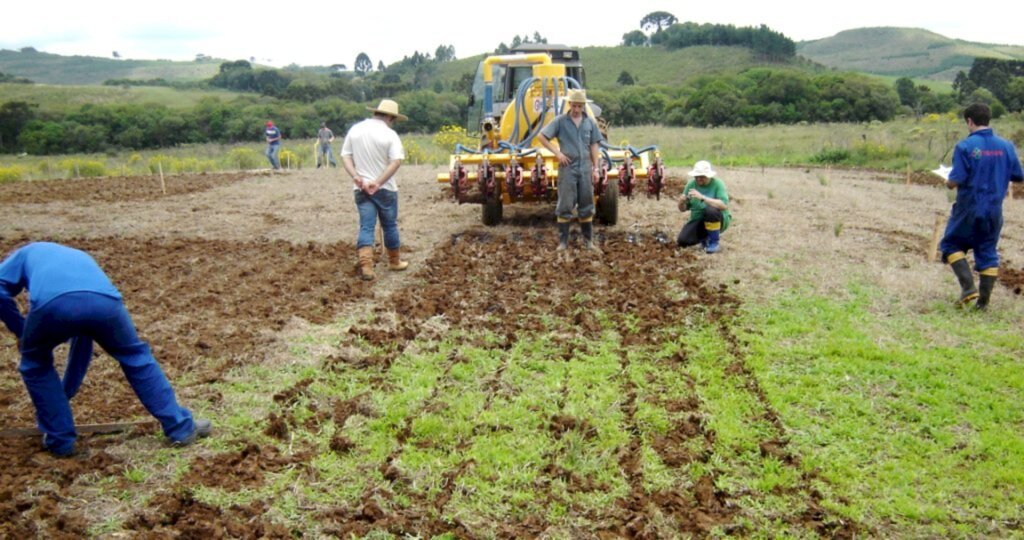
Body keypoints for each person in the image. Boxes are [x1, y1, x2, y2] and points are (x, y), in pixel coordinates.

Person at [0, 242, 211, 457]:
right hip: (105, 302)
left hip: (54, 305)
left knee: (35, 365)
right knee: (136, 357)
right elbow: (82, 346)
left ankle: (60, 441)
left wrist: (20, 330)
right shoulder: (74, 255)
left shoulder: (23, 254)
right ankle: (181, 428)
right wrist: (66, 392)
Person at [940, 103, 1023, 310]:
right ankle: (983, 304)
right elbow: (1019, 176)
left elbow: (956, 179)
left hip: (969, 207)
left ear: (969, 121)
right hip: (994, 209)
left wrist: (947, 180)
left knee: (951, 245)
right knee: (987, 251)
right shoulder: (1006, 146)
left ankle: (968, 288)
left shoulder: (964, 147)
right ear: (988, 119)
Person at [341, 99, 410, 280]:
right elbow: (396, 161)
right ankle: (394, 261)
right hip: (385, 188)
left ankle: (367, 266)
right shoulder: (390, 134)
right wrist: (378, 182)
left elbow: (345, 155)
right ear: (390, 117)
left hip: (361, 188)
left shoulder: (355, 129)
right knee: (389, 225)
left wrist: (356, 177)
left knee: (366, 225)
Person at [538, 88, 604, 254]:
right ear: (569, 105)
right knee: (565, 203)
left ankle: (589, 242)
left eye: (579, 106)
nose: (576, 110)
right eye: (573, 106)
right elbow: (542, 136)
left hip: (585, 167)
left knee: (587, 202)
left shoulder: (590, 123)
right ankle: (563, 243)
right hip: (568, 167)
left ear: (583, 106)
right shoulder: (560, 121)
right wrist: (558, 154)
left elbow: (594, 145)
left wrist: (596, 168)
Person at [676, 160, 731, 254]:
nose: (698, 179)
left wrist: (702, 198)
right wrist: (681, 202)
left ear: (709, 176)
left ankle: (714, 242)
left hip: (718, 219)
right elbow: (683, 209)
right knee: (683, 241)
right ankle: (704, 239)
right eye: (696, 176)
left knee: (710, 210)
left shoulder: (718, 184)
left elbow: (723, 205)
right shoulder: (691, 185)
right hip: (698, 220)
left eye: (702, 176)